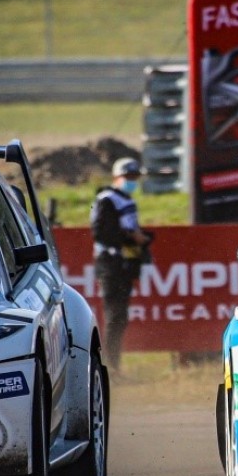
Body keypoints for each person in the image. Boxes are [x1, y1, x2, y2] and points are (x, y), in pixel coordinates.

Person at [91, 157, 153, 379]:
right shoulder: (106, 199)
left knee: (120, 317)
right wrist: (130, 238)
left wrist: (142, 239)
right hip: (111, 265)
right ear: (117, 177)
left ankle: (114, 366)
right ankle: (108, 369)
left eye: (135, 178)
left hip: (125, 265)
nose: (132, 182)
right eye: (128, 177)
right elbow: (101, 233)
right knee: (114, 316)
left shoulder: (126, 200)